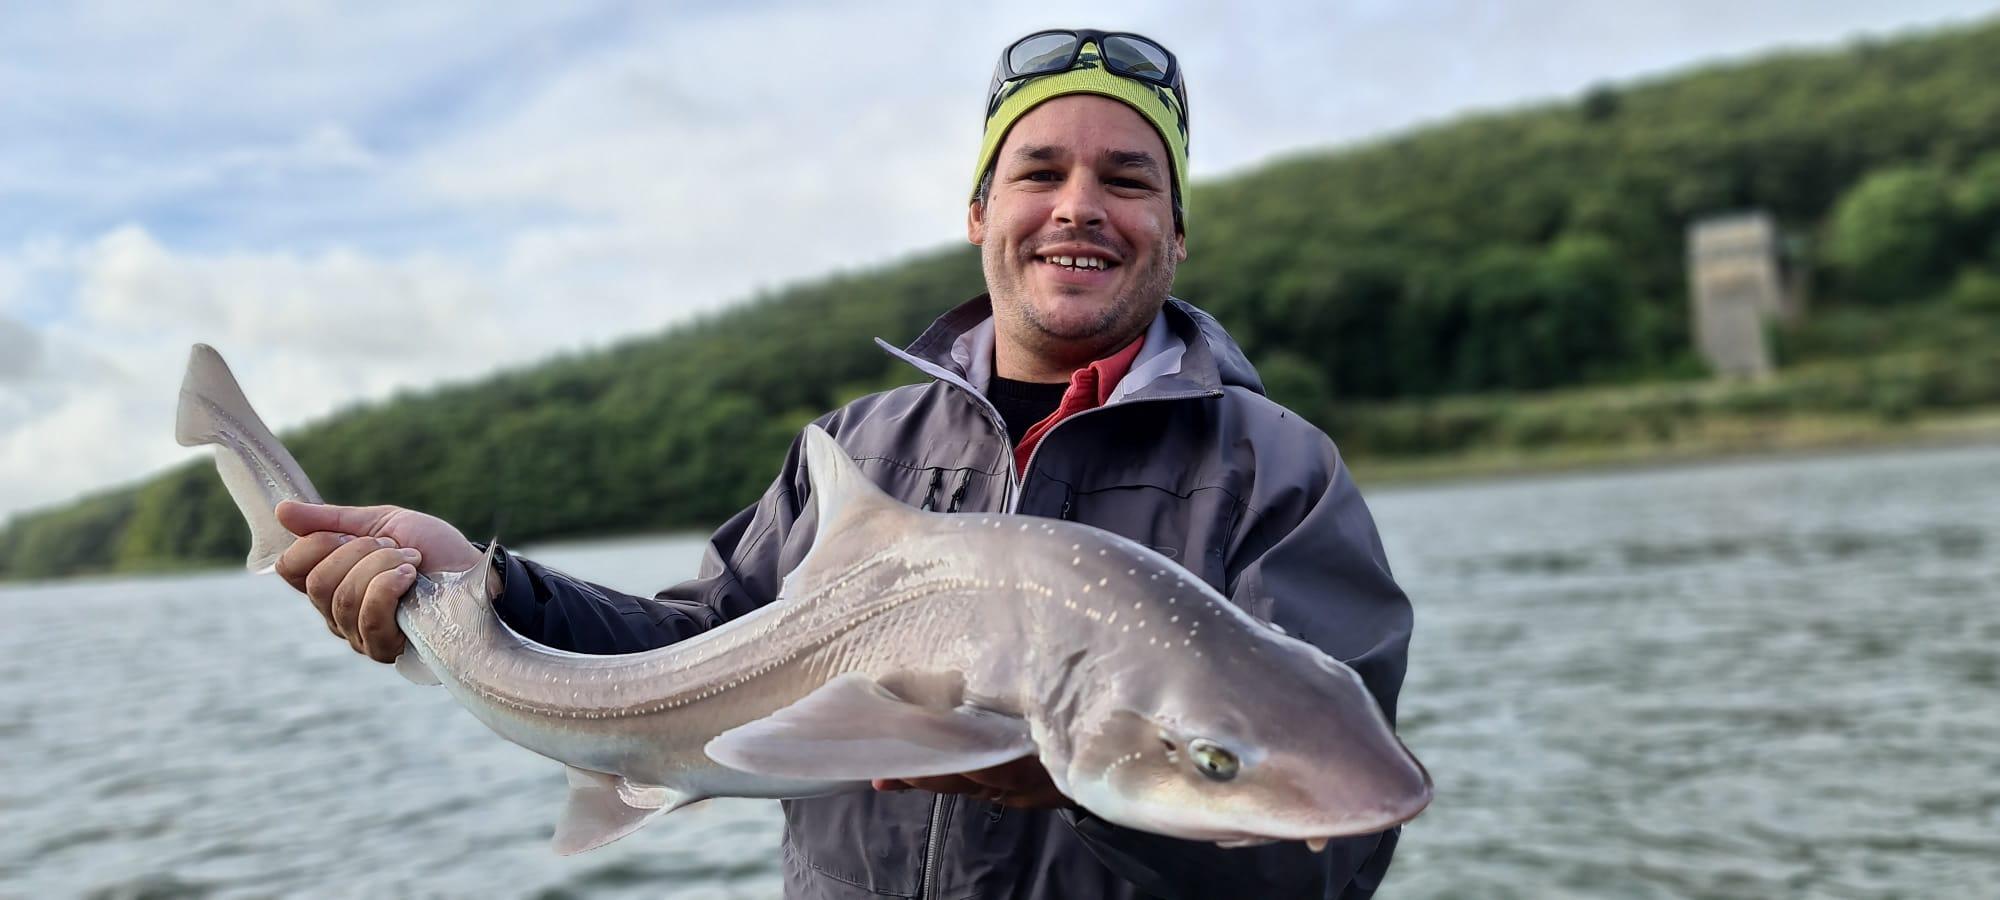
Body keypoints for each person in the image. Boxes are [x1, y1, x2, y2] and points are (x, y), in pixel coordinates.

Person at [274, 28, 1414, 899]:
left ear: (1175, 229)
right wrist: (481, 587)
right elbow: (697, 652)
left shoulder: (1277, 472)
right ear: (979, 211)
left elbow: (1332, 852)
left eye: (1126, 179)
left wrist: (1078, 786)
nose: (1079, 207)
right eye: (1038, 172)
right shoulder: (859, 449)